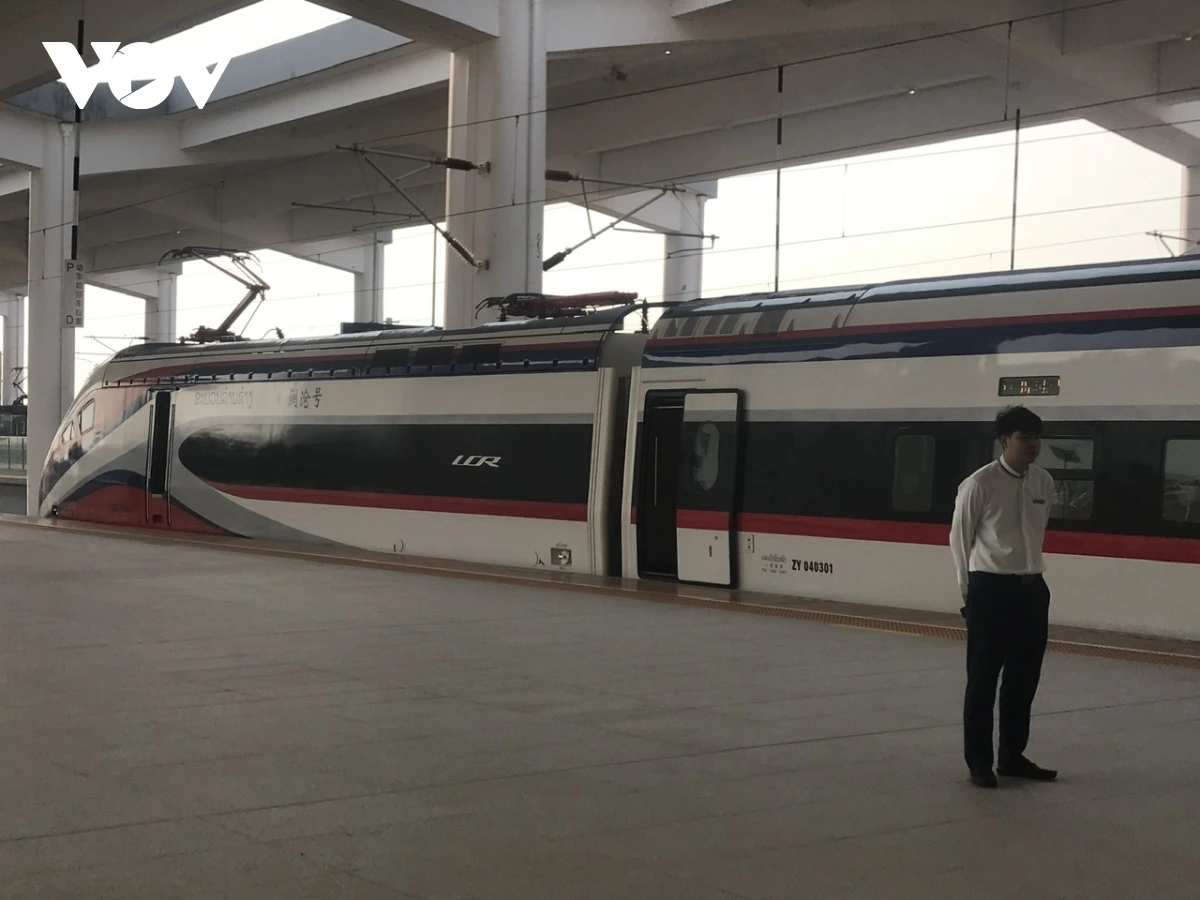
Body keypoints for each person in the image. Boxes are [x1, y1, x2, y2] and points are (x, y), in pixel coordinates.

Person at [950, 405, 1059, 789]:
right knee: (982, 679)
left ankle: (1012, 756)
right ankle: (979, 761)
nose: (1033, 444)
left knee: (1023, 679)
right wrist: (969, 593)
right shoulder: (979, 484)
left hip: (1032, 590)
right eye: (1024, 437)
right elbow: (959, 540)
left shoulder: (1043, 482)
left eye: (1036, 437)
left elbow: (1038, 531)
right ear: (1004, 441)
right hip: (990, 589)